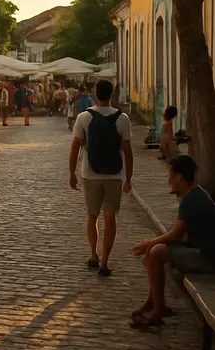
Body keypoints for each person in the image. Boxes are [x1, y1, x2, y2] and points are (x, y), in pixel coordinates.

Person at [131, 155, 215, 327]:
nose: (168, 180)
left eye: (170, 175)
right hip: (204, 251)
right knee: (156, 249)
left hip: (209, 258)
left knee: (156, 251)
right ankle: (153, 301)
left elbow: (175, 235)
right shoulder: (194, 196)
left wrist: (150, 243)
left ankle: (158, 309)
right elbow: (182, 235)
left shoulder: (192, 200)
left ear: (179, 177)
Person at [69, 79, 133, 277]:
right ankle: (105, 262)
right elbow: (128, 152)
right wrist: (128, 178)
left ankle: (93, 254)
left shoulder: (83, 117)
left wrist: (71, 172)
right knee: (110, 217)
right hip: (114, 175)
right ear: (112, 94)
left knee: (92, 216)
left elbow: (75, 148)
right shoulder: (122, 118)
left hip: (90, 173)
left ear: (95, 95)